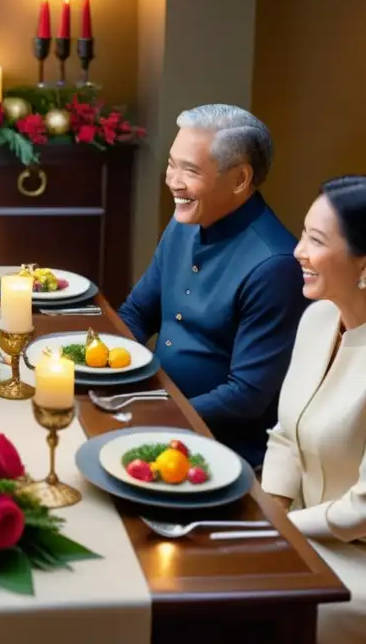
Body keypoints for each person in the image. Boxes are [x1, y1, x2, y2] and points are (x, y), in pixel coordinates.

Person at [261, 175, 366, 644]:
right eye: (304, 232)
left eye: (316, 239)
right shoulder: (320, 316)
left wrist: (273, 527)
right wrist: (267, 512)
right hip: (304, 529)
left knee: (250, 608)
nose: (297, 251)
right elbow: (287, 434)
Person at [118, 104, 307, 467]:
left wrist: (155, 413)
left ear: (240, 180)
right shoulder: (185, 221)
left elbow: (245, 397)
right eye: (172, 164)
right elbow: (138, 313)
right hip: (157, 412)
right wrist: (102, 371)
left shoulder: (276, 266)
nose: (173, 180)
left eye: (190, 170)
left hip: (219, 450)